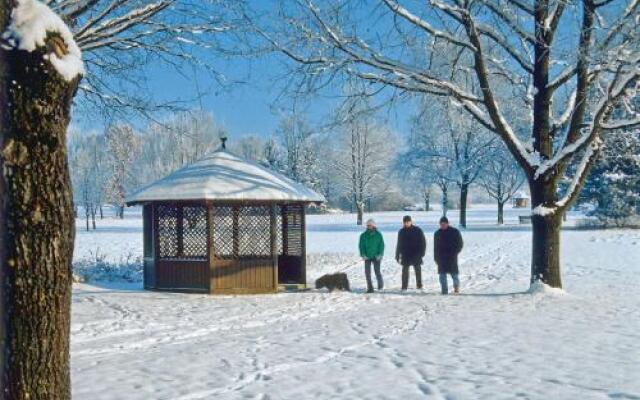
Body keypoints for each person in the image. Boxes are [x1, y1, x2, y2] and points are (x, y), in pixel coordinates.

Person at [434, 216, 463, 294]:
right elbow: (435, 247)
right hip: (441, 257)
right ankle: (444, 290)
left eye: (444, 224)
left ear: (447, 223)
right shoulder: (437, 233)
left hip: (452, 256)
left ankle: (456, 288)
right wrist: (436, 257)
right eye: (441, 224)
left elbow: (460, 244)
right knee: (442, 275)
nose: (442, 225)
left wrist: (455, 252)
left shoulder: (455, 231)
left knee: (454, 274)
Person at [395, 215, 426, 290]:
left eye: (408, 222)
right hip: (405, 254)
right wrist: (397, 254)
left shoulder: (417, 230)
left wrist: (422, 252)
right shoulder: (401, 231)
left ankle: (419, 285)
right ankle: (404, 286)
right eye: (405, 222)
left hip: (416, 253)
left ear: (411, 222)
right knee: (405, 271)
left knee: (418, 270)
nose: (406, 223)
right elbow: (399, 244)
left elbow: (423, 242)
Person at [359, 218, 384, 293]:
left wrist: (380, 254)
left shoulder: (378, 235)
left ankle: (380, 285)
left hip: (376, 257)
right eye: (368, 225)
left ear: (373, 226)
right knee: (367, 273)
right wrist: (363, 254)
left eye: (370, 225)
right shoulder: (363, 235)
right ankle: (370, 288)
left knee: (377, 271)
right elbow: (361, 246)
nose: (369, 226)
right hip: (367, 257)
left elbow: (381, 245)